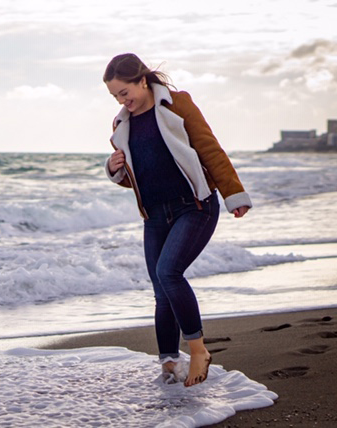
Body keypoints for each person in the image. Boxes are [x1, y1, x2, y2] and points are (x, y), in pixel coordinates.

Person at [103, 53, 252, 387]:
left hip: (194, 206)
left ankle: (198, 350)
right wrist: (115, 169)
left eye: (124, 92)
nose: (122, 101)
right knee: (161, 291)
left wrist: (233, 195)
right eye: (115, 97)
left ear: (142, 80)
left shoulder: (176, 105)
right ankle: (169, 362)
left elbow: (210, 150)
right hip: (154, 215)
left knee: (168, 272)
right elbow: (137, 176)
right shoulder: (121, 124)